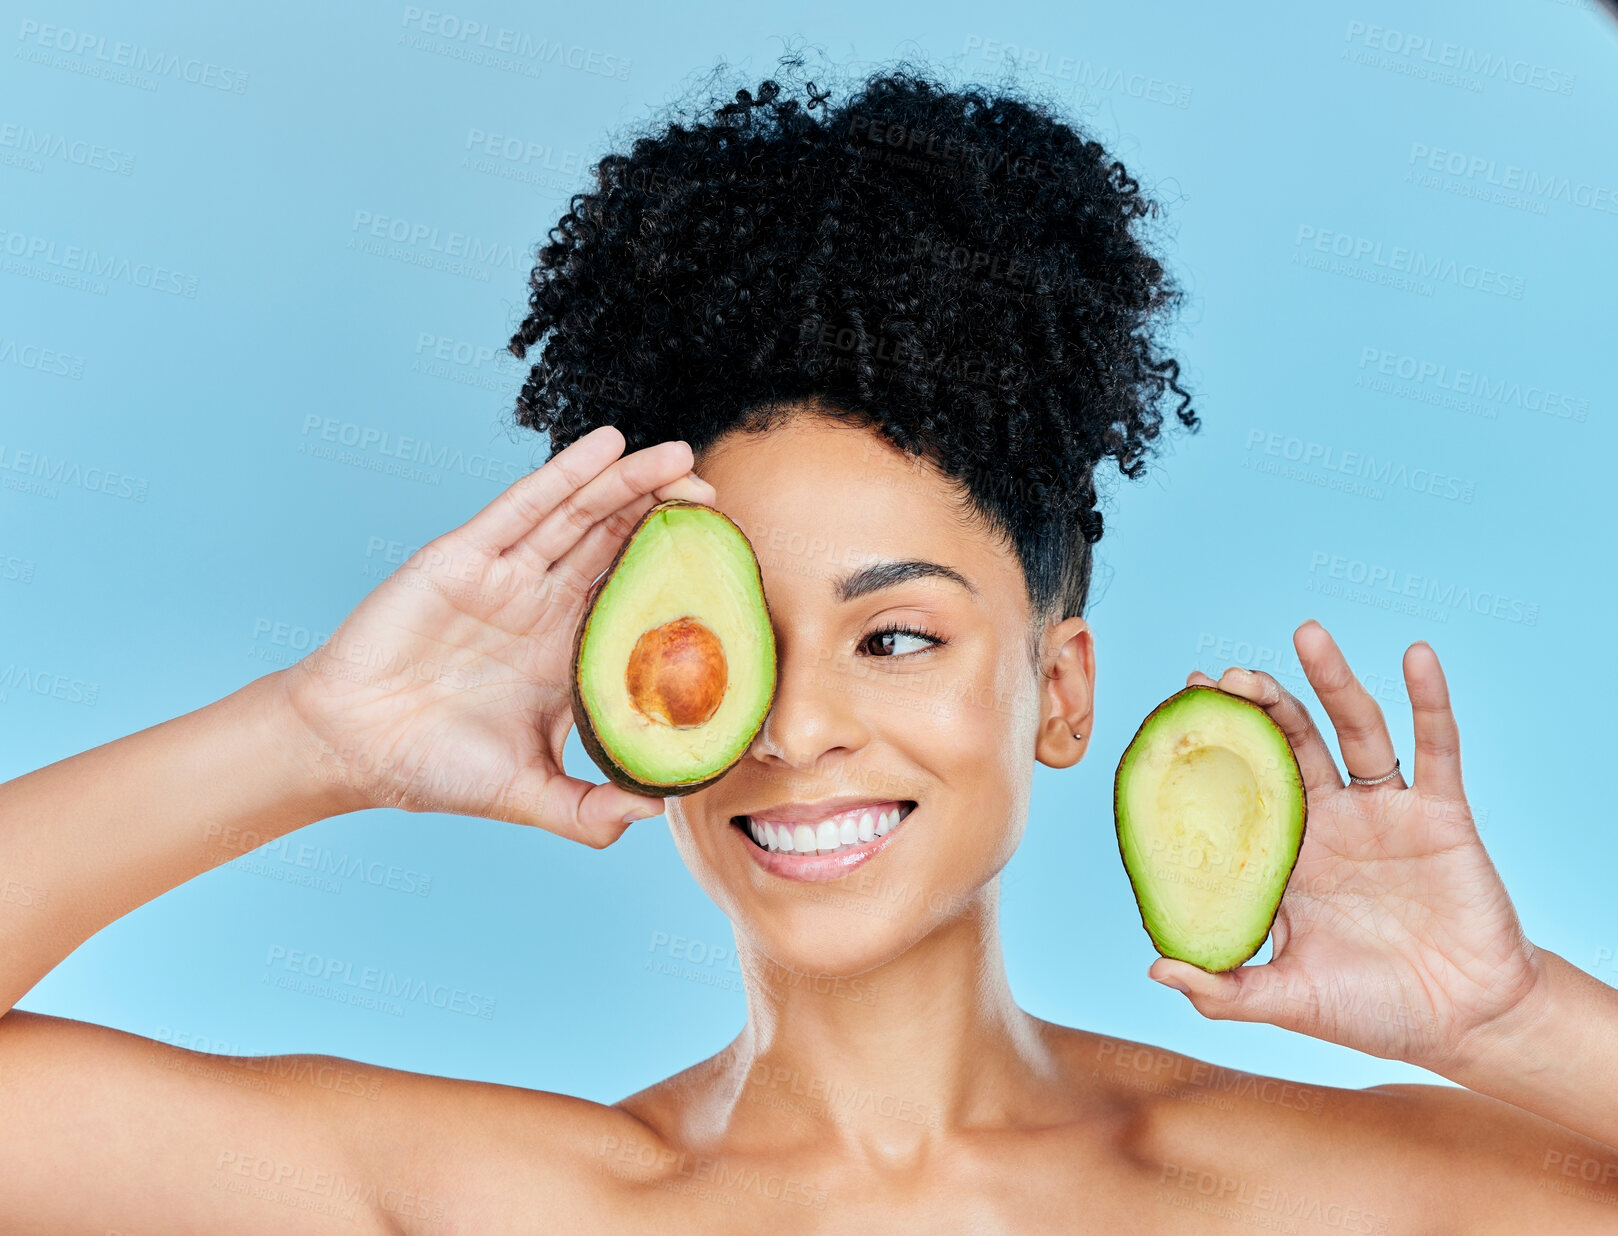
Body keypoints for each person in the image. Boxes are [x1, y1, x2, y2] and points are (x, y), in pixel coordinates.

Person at [3, 63, 1615, 1234]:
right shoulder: (507, 1204)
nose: (796, 728)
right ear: (634, 692)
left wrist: (1511, 1022)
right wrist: (313, 738)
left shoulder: (1327, 1197)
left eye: (895, 633)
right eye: (730, 646)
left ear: (1057, 693)